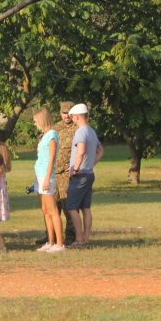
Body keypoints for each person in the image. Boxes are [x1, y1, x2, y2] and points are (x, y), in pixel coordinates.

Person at [65, 103, 104, 247]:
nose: (72, 120)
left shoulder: (81, 132)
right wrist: (89, 165)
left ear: (76, 117)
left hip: (80, 176)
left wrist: (75, 169)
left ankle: (79, 239)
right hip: (89, 173)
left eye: (72, 118)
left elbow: (80, 151)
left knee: (71, 207)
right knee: (85, 208)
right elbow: (100, 151)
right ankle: (86, 239)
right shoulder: (92, 131)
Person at [32, 107, 65, 253]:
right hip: (39, 174)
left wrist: (47, 178)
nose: (34, 124)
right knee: (45, 210)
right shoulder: (45, 135)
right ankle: (50, 241)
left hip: (47, 175)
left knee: (53, 210)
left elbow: (52, 158)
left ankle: (60, 244)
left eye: (35, 121)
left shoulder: (52, 134)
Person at [53, 101, 78, 246]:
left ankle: (71, 235)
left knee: (68, 205)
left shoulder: (77, 128)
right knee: (53, 205)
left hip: (67, 173)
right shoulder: (55, 127)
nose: (66, 115)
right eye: (63, 112)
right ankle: (52, 235)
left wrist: (76, 165)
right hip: (53, 172)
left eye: (69, 112)